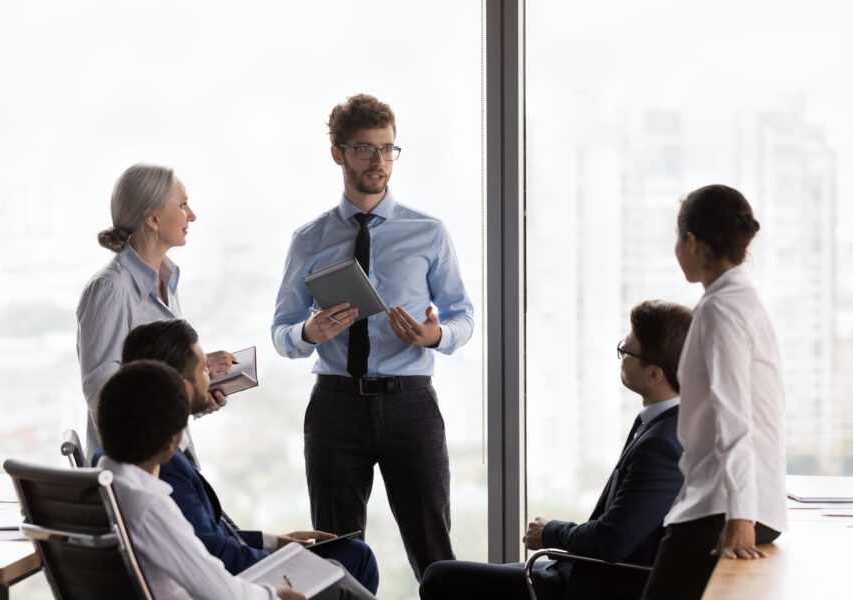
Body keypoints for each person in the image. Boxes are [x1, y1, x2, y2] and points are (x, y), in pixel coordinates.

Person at [271, 93, 474, 580]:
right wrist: (309, 331)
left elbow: (463, 315)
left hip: (411, 405)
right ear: (338, 153)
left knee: (434, 551)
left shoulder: (428, 232)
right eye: (365, 149)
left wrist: (435, 335)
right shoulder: (309, 239)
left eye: (388, 149)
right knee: (335, 556)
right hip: (335, 406)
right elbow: (281, 331)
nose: (380, 162)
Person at [420, 300, 693, 600]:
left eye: (626, 352)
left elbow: (611, 540)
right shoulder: (665, 425)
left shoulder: (662, 445)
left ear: (655, 374)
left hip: (592, 585)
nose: (620, 358)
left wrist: (550, 531)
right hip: (577, 569)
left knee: (439, 578)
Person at [116, 319, 379, 597]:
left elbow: (205, 535)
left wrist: (274, 543)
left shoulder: (128, 455)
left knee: (351, 553)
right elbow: (214, 555)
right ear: (181, 387)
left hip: (230, 566)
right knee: (355, 559)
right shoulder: (161, 464)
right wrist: (285, 568)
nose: (212, 379)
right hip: (237, 579)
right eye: (205, 369)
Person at [641, 185, 786, 600]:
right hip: (741, 500)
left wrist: (741, 514)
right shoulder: (742, 300)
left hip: (726, 504)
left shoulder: (722, 309)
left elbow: (735, 415)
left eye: (676, 238)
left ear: (691, 241)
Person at [96, 360, 299, 600]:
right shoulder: (148, 506)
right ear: (173, 442)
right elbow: (220, 591)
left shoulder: (103, 479)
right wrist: (273, 595)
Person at [77, 163, 234, 460]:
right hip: (133, 469)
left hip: (169, 460)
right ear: (153, 218)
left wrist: (196, 396)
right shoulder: (110, 289)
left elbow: (152, 385)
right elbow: (105, 397)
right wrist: (187, 378)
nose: (192, 215)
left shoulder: (166, 282)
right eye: (183, 204)